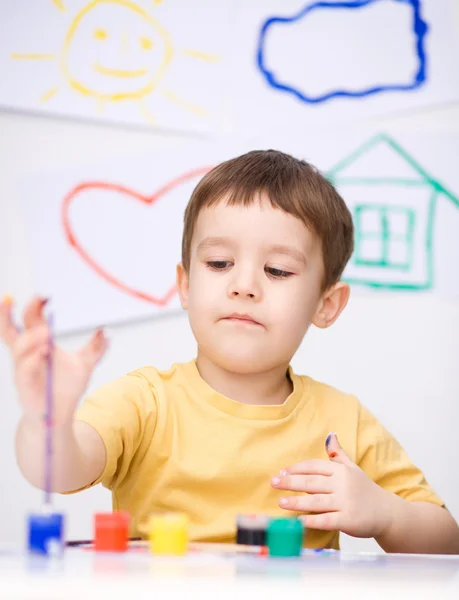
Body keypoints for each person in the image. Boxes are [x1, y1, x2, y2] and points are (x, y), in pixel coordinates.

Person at [2, 150, 458, 553]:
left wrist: (386, 514)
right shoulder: (144, 402)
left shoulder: (344, 422)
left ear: (326, 304)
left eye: (277, 270)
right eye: (219, 263)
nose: (244, 285)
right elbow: (56, 473)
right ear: (185, 285)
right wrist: (49, 422)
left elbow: (447, 542)